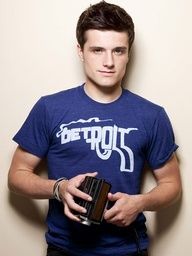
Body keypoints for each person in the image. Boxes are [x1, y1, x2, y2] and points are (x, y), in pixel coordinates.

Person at [8, 1, 182, 256]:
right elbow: (16, 176)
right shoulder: (50, 108)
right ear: (80, 51)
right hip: (65, 249)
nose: (109, 61)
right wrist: (59, 189)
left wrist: (140, 203)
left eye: (118, 51)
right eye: (98, 50)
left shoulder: (152, 115)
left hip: (127, 248)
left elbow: (172, 184)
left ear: (129, 53)